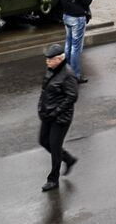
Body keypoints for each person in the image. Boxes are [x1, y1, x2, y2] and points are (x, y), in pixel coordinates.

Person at [36, 42, 80, 192]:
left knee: (55, 147)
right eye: (47, 59)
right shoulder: (51, 70)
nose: (47, 61)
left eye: (50, 59)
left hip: (60, 118)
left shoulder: (68, 75)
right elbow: (45, 90)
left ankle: (53, 180)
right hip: (47, 115)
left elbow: (72, 97)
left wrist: (57, 112)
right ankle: (68, 159)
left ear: (60, 59)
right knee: (43, 141)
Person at [58, 0, 97, 84]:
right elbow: (86, 0)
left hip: (66, 16)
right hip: (77, 18)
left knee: (68, 45)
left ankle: (67, 72)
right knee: (76, 47)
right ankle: (75, 75)